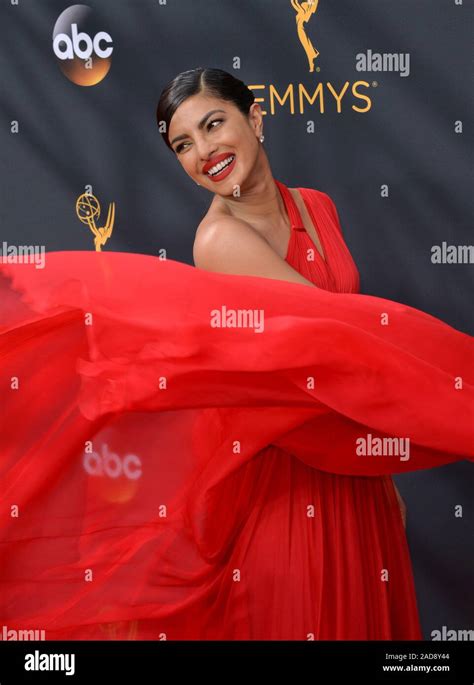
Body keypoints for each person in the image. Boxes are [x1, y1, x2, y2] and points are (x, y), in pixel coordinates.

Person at [0, 68, 471, 641]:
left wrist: (385, 474)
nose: (204, 151)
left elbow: (355, 371)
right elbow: (342, 348)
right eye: (182, 145)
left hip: (356, 470)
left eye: (214, 124)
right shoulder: (219, 241)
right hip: (292, 490)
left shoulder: (317, 206)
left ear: (255, 118)